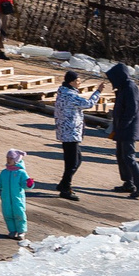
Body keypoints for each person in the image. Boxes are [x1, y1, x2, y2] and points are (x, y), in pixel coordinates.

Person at [105, 60, 139, 198]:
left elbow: (131, 110)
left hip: (128, 129)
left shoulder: (130, 87)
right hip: (122, 128)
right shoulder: (123, 87)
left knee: (129, 157)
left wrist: (122, 126)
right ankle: (128, 183)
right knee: (121, 155)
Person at [53, 69, 93, 200]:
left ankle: (63, 183)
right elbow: (89, 104)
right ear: (71, 82)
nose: (80, 82)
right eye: (77, 80)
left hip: (67, 132)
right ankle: (66, 188)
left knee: (77, 159)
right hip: (71, 133)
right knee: (72, 163)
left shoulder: (63, 92)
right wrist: (98, 91)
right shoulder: (70, 95)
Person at [0, 149, 31, 238]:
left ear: (16, 160)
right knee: (7, 214)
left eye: (11, 158)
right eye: (7, 158)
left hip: (17, 199)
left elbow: (25, 185)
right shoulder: (4, 172)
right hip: (6, 199)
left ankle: (21, 231)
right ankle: (12, 230)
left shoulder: (21, 173)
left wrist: (29, 184)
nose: (8, 160)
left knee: (19, 214)